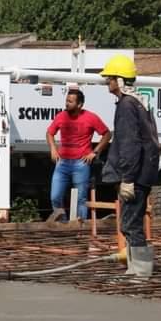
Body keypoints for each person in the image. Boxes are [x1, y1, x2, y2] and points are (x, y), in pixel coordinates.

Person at [101, 55, 159, 277]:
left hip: (135, 175)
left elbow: (130, 145)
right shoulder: (138, 102)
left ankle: (141, 272)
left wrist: (127, 179)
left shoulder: (126, 105)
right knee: (131, 222)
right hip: (142, 172)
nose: (108, 83)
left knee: (131, 223)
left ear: (120, 80)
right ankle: (137, 269)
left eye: (110, 79)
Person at [46, 89, 111, 223]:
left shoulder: (91, 117)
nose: (67, 103)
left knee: (81, 199)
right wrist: (53, 148)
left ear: (80, 104)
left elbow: (107, 134)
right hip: (62, 163)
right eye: (66, 100)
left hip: (81, 164)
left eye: (70, 101)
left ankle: (80, 229)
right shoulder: (61, 116)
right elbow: (49, 132)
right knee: (55, 197)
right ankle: (63, 224)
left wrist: (95, 152)